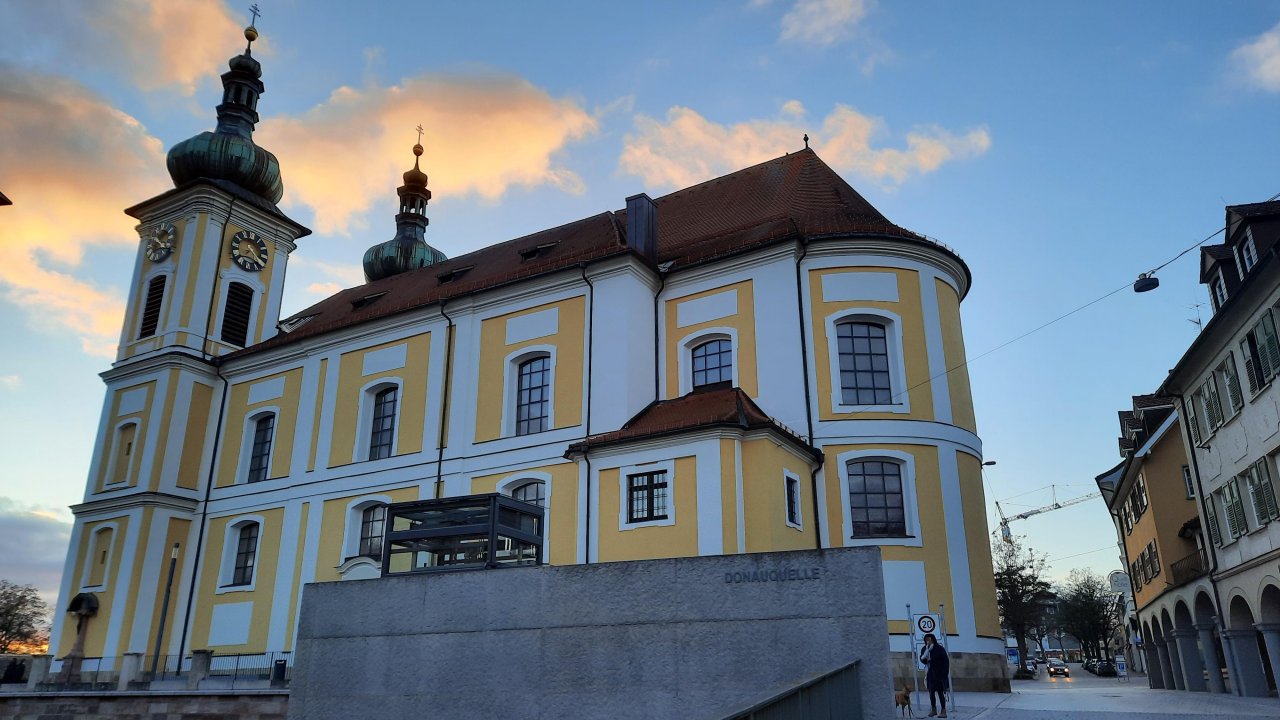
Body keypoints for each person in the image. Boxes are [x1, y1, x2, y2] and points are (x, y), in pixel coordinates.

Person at [919, 632, 950, 718]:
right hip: (930, 674)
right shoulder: (925, 649)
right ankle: (933, 709)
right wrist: (925, 657)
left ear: (933, 639)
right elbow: (922, 659)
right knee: (931, 692)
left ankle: (943, 710)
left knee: (940, 693)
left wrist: (944, 673)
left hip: (939, 674)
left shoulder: (939, 649)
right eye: (926, 639)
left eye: (929, 639)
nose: (928, 641)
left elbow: (946, 661)